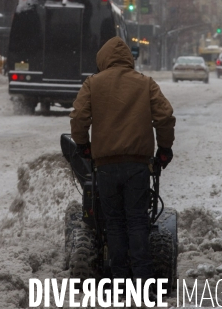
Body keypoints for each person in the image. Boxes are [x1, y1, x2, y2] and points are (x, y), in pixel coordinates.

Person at [70, 36, 175, 287]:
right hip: (138, 166)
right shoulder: (145, 83)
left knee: (114, 222)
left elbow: (78, 119)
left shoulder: (93, 84)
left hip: (105, 166)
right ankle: (143, 282)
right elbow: (165, 116)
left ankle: (119, 281)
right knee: (138, 220)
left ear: (102, 60)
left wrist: (84, 145)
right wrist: (164, 148)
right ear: (129, 59)